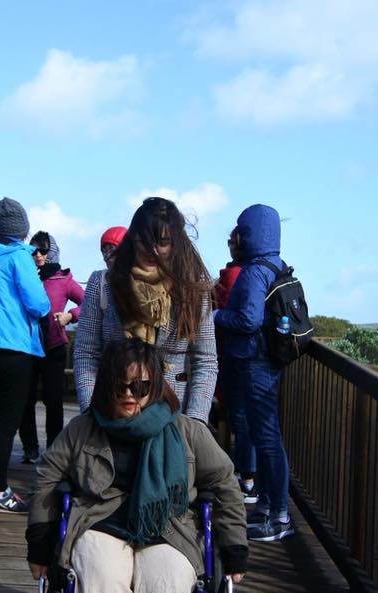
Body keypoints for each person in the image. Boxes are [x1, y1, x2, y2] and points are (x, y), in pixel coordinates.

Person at [27, 338, 247, 593]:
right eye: (121, 386)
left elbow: (224, 483)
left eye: (141, 387)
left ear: (155, 386)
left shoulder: (186, 430)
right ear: (106, 384)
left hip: (169, 529)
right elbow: (47, 478)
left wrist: (235, 550)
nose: (131, 395)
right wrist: (39, 546)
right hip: (98, 523)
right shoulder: (82, 428)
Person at [74, 197, 217, 425]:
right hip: (113, 411)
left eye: (163, 242)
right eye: (144, 241)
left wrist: (197, 420)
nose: (153, 250)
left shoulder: (193, 287)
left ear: (177, 243)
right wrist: (89, 413)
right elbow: (86, 353)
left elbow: (205, 360)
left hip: (174, 415)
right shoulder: (104, 283)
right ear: (133, 239)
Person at [213, 204, 294, 542]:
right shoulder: (276, 265)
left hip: (254, 361)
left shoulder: (254, 272)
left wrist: (214, 317)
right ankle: (267, 506)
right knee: (266, 436)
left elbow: (247, 320)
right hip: (267, 360)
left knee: (268, 438)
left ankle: (278, 516)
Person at [0, 197, 51, 514]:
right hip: (14, 348)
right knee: (5, 425)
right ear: (22, 229)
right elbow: (39, 304)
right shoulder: (20, 256)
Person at [18, 231, 85, 463]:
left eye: (43, 250)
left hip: (54, 348)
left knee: (53, 400)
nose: (38, 255)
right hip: (26, 347)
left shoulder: (64, 279)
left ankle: (53, 450)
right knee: (25, 399)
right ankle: (29, 449)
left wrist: (70, 316)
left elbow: (87, 303)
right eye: (33, 250)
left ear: (52, 253)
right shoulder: (25, 275)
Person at [214, 228, 257, 504]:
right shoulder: (254, 272)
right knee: (246, 419)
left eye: (231, 241)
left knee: (240, 417)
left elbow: (236, 314)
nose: (229, 245)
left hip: (234, 354)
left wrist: (216, 314)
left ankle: (247, 478)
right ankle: (248, 476)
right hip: (251, 355)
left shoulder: (234, 275)